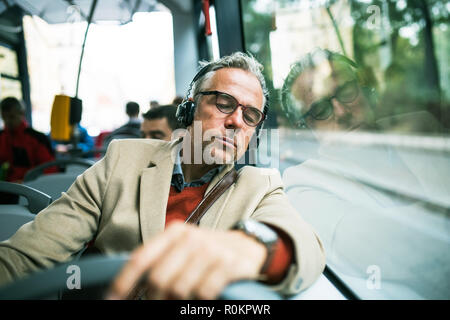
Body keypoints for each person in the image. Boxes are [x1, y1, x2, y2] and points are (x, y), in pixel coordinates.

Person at [0, 52, 325, 299]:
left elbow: (307, 247)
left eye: (250, 114)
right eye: (225, 103)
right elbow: (29, 254)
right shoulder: (122, 159)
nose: (237, 121)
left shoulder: (260, 185)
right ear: (188, 109)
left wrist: (254, 247)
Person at [280, 49, 450, 299]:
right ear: (306, 127)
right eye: (320, 109)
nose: (341, 111)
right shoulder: (302, 184)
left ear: (365, 88)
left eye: (346, 92)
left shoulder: (420, 128)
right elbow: (395, 250)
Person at [0, 97, 55, 183]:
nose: (7, 121)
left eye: (11, 117)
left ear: (21, 114)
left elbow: (50, 168)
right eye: (4, 117)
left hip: (33, 187)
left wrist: (27, 182)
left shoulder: (37, 138)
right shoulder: (2, 136)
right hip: (9, 187)